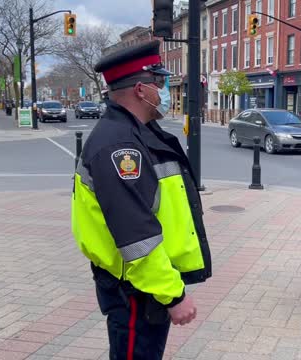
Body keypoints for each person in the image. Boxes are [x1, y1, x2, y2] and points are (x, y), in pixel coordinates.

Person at [71, 40, 212, 359]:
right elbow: (137, 235)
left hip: (144, 286)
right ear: (140, 89)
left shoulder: (134, 133)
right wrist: (174, 296)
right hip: (138, 290)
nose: (163, 91)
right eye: (159, 83)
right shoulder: (120, 147)